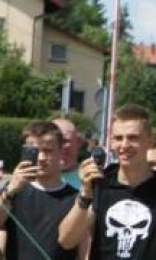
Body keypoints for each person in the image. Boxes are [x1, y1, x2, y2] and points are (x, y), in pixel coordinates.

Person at [58, 104, 156, 260]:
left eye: (133, 138)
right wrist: (85, 194)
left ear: (150, 140)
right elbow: (67, 240)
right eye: (118, 138)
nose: (124, 145)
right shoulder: (100, 184)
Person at [0, 120, 76, 260]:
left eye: (48, 151)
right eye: (35, 151)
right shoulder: (15, 191)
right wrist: (11, 189)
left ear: (61, 152)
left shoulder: (74, 198)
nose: (41, 158)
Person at [52, 117, 85, 190]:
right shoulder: (33, 178)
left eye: (64, 141)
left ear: (78, 142)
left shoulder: (88, 179)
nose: (59, 147)